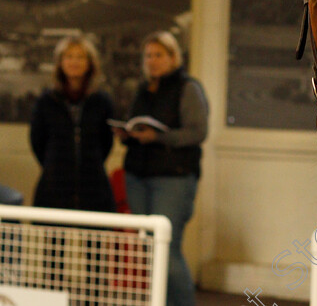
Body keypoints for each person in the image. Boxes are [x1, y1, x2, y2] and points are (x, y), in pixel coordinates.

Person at [116, 31, 208, 306]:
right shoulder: (143, 89)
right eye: (148, 56)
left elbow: (197, 132)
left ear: (172, 57)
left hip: (173, 178)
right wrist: (128, 134)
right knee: (149, 251)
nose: (152, 61)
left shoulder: (188, 87)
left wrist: (158, 137)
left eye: (158, 55)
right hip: (138, 175)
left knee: (167, 251)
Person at [30, 36, 116, 212]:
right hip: (54, 185)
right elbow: (37, 140)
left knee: (95, 236)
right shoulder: (46, 100)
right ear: (60, 62)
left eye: (80, 57)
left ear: (90, 63)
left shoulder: (102, 101)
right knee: (52, 235)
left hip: (93, 185)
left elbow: (106, 141)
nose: (74, 62)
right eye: (69, 56)